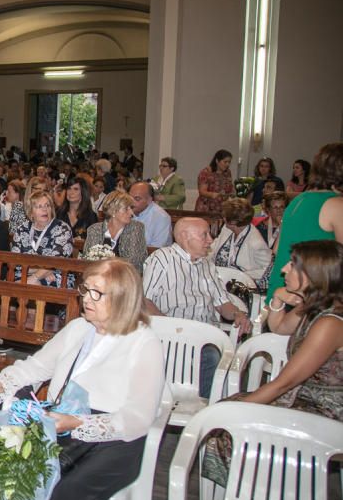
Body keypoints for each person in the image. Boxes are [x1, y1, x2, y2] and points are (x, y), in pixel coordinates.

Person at [0, 258, 165, 500]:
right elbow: (36, 367)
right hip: (64, 427)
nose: (87, 298)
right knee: (14, 476)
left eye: (97, 293)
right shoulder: (78, 329)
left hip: (115, 439)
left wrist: (79, 424)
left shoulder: (144, 343)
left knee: (70, 493)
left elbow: (138, 417)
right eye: (86, 290)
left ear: (122, 298)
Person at [202, 240, 343, 487]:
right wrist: (278, 298)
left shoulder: (329, 323)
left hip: (327, 414)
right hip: (305, 399)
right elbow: (279, 327)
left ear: (314, 274)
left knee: (229, 423)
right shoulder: (314, 306)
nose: (284, 269)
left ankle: (253, 492)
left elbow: (284, 383)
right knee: (229, 409)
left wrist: (232, 411)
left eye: (293, 265)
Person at [143, 217, 250, 395]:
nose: (211, 240)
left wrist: (238, 314)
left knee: (220, 355)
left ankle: (208, 408)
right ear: (185, 236)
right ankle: (201, 408)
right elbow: (145, 301)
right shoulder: (162, 259)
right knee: (209, 356)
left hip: (204, 335)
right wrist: (173, 328)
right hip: (171, 335)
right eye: (204, 235)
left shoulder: (206, 264)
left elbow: (222, 303)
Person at [267, 143, 343, 301]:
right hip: (307, 298)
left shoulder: (298, 199)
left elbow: (276, 249)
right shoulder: (336, 205)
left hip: (280, 292)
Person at [9, 188, 72, 285]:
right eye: (39, 206)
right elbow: (16, 262)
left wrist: (35, 277)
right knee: (9, 284)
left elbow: (56, 263)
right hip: (25, 274)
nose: (44, 209)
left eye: (47, 205)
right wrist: (42, 271)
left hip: (58, 277)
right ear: (31, 212)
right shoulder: (22, 229)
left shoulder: (62, 228)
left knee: (32, 285)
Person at [211, 198, 272, 287]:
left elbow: (268, 269)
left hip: (242, 285)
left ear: (233, 222)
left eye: (225, 216)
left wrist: (241, 275)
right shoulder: (227, 228)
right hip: (220, 279)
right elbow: (214, 247)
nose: (223, 218)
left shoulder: (256, 243)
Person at [83, 190, 148, 271]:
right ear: (113, 211)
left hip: (125, 278)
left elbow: (134, 262)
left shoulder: (136, 228)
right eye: (126, 209)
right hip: (98, 276)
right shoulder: (95, 229)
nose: (131, 213)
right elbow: (88, 259)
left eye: (131, 208)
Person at [130, 181, 173, 248]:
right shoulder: (126, 211)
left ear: (149, 200)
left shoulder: (161, 217)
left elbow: (157, 248)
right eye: (129, 197)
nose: (131, 202)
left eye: (137, 199)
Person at [195, 149, 234, 213]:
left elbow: (229, 187)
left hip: (221, 208)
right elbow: (202, 191)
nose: (227, 164)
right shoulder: (206, 172)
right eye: (225, 162)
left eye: (229, 162)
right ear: (217, 161)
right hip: (206, 207)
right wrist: (213, 194)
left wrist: (232, 194)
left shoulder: (228, 173)